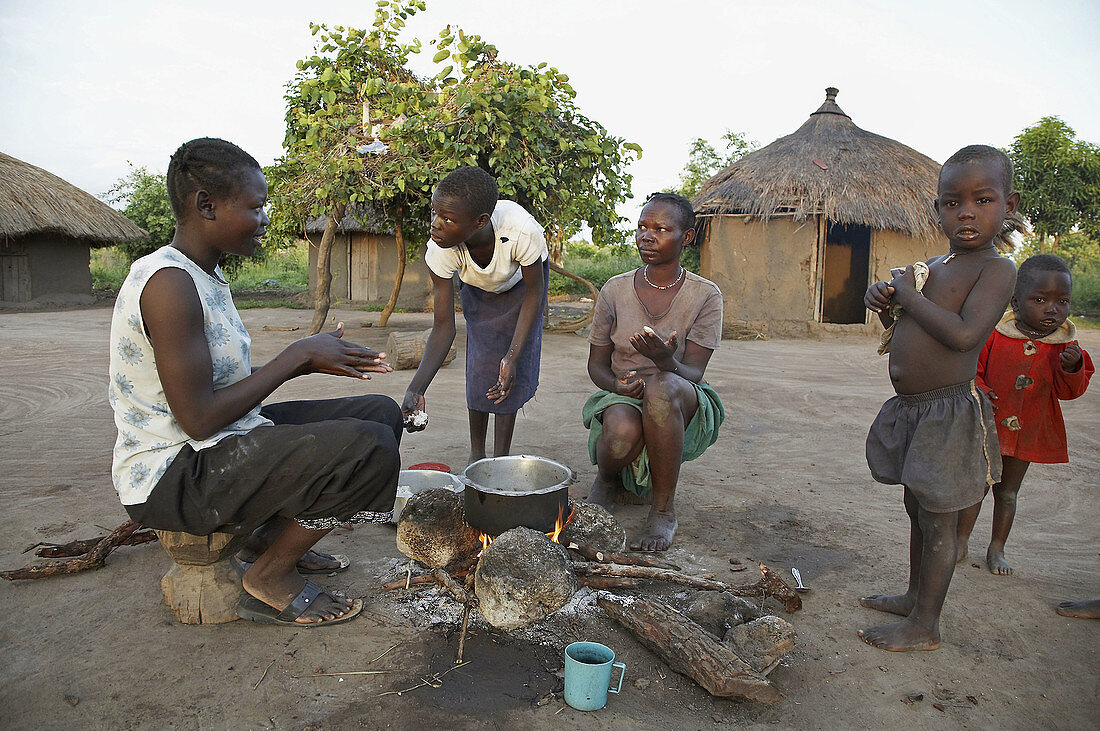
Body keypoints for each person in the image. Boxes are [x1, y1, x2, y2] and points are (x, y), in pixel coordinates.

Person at [108, 138, 402, 627]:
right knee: (367, 447)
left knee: (381, 414)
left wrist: (307, 361)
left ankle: (272, 538)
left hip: (217, 444)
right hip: (175, 474)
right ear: (206, 205)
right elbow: (199, 420)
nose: (265, 218)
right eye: (256, 206)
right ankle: (269, 574)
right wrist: (296, 356)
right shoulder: (168, 284)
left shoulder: (203, 275)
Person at [860, 145, 1019, 651]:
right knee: (916, 504)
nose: (967, 212)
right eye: (953, 202)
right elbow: (907, 326)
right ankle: (913, 597)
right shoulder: (930, 267)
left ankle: (925, 625)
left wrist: (909, 296)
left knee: (938, 517)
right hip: (915, 410)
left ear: (1008, 205)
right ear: (938, 209)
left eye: (983, 200)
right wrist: (885, 305)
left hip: (950, 409)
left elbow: (965, 335)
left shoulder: (996, 270)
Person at [583, 192, 725, 552]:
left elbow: (693, 371)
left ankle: (663, 510)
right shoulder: (615, 289)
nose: (647, 236)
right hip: (623, 392)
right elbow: (596, 365)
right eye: (643, 227)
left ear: (686, 237)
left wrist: (666, 361)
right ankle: (607, 477)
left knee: (662, 388)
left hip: (681, 390)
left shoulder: (705, 295)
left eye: (661, 229)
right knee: (620, 430)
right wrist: (616, 383)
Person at [955, 254, 1093, 574]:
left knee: (1009, 492)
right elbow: (971, 370)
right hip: (990, 426)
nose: (1052, 309)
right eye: (1040, 299)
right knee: (979, 485)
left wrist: (1072, 368)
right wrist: (983, 390)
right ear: (1016, 304)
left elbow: (1068, 392)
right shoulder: (995, 334)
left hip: (1028, 430)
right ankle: (961, 540)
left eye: (1062, 301)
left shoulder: (1065, 347)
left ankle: (997, 548)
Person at [402, 166, 548, 464]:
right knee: (481, 363)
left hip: (523, 286)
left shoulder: (521, 232)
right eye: (434, 213)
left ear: (480, 222)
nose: (435, 225)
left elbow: (535, 295)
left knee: (509, 370)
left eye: (447, 219)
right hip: (479, 286)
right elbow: (443, 328)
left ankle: (500, 461)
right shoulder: (441, 249)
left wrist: (512, 356)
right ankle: (477, 455)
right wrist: (416, 388)